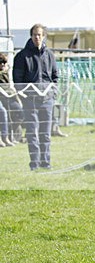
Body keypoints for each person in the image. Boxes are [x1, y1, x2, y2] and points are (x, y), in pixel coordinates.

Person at [12, 24, 58, 170]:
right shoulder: (22, 56)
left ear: (44, 36)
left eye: (39, 35)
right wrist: (23, 95)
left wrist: (53, 93)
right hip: (30, 101)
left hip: (47, 100)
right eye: (34, 35)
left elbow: (55, 77)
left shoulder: (50, 55)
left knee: (45, 133)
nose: (37, 37)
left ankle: (46, 162)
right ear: (31, 36)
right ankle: (34, 163)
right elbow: (17, 79)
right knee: (32, 132)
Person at [0, 54, 23, 144]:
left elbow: (11, 86)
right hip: (3, 97)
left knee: (20, 112)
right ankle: (5, 137)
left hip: (11, 96)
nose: (2, 64)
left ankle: (12, 136)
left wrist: (18, 99)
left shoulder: (6, 73)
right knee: (3, 113)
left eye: (4, 63)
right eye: (0, 62)